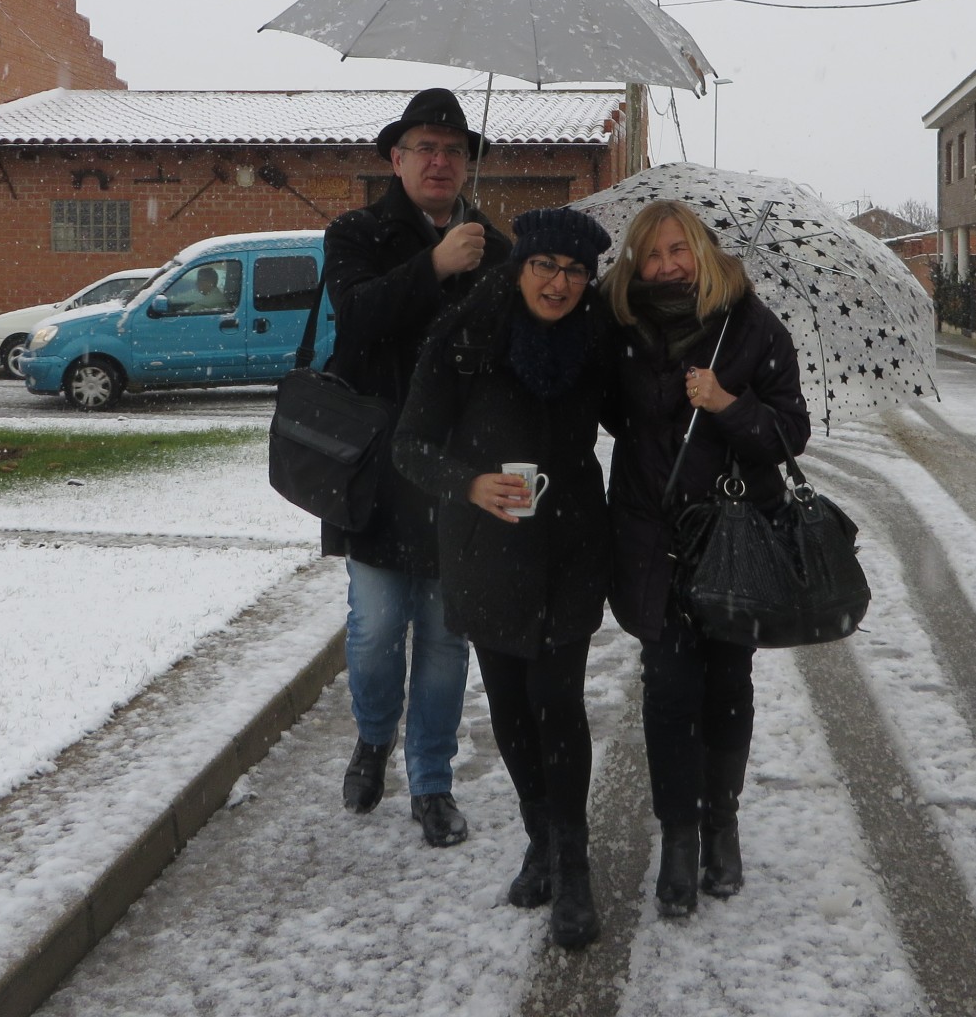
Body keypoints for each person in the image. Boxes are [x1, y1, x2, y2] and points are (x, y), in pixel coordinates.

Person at [394, 206, 618, 950]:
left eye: (575, 272)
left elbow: (637, 418)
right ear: (520, 265)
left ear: (589, 281)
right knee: (514, 709)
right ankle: (540, 840)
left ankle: (574, 866)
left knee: (557, 698)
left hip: (572, 544)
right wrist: (469, 484)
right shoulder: (465, 336)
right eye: (546, 266)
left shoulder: (597, 341)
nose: (558, 284)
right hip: (486, 549)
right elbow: (411, 447)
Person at [599, 199, 810, 917]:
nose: (666, 267)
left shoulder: (752, 327)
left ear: (704, 253)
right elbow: (604, 412)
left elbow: (791, 434)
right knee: (667, 692)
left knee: (725, 687)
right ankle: (680, 837)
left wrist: (728, 403)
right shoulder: (621, 327)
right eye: (652, 256)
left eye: (677, 251)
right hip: (652, 538)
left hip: (734, 539)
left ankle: (721, 823)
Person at [321, 88, 512, 848]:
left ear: (467, 163)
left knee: (442, 638)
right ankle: (374, 737)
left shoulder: (495, 250)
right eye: (425, 148)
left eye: (453, 149)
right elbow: (358, 320)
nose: (439, 161)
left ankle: (431, 782)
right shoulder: (356, 234)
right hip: (374, 474)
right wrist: (434, 266)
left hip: (454, 477)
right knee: (374, 632)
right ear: (396, 159)